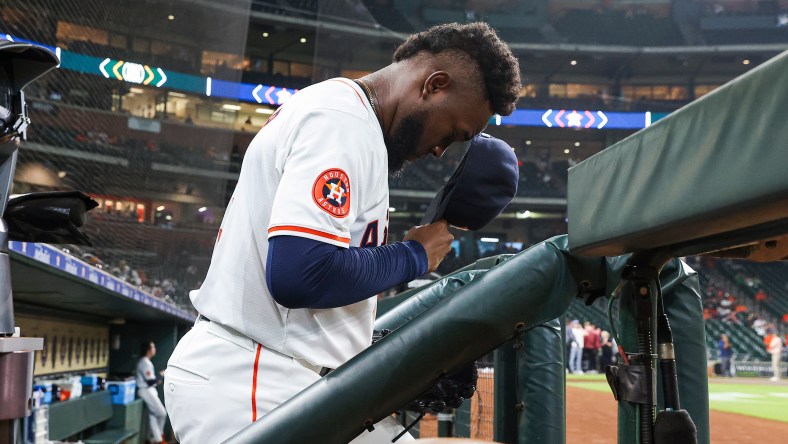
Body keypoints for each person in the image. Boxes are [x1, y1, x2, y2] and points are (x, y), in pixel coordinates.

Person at [164, 22, 521, 444]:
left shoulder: (355, 123)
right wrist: (414, 255)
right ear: (434, 84)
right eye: (454, 132)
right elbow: (300, 274)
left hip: (288, 376)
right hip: (255, 380)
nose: (442, 148)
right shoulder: (341, 121)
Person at [137, 341, 167, 444]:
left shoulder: (146, 361)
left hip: (149, 390)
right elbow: (150, 381)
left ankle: (155, 439)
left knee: (153, 415)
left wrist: (159, 378)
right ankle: (158, 438)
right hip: (145, 390)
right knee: (162, 413)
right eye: (153, 347)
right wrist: (160, 375)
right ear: (148, 349)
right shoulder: (144, 362)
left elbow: (153, 381)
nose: (154, 349)